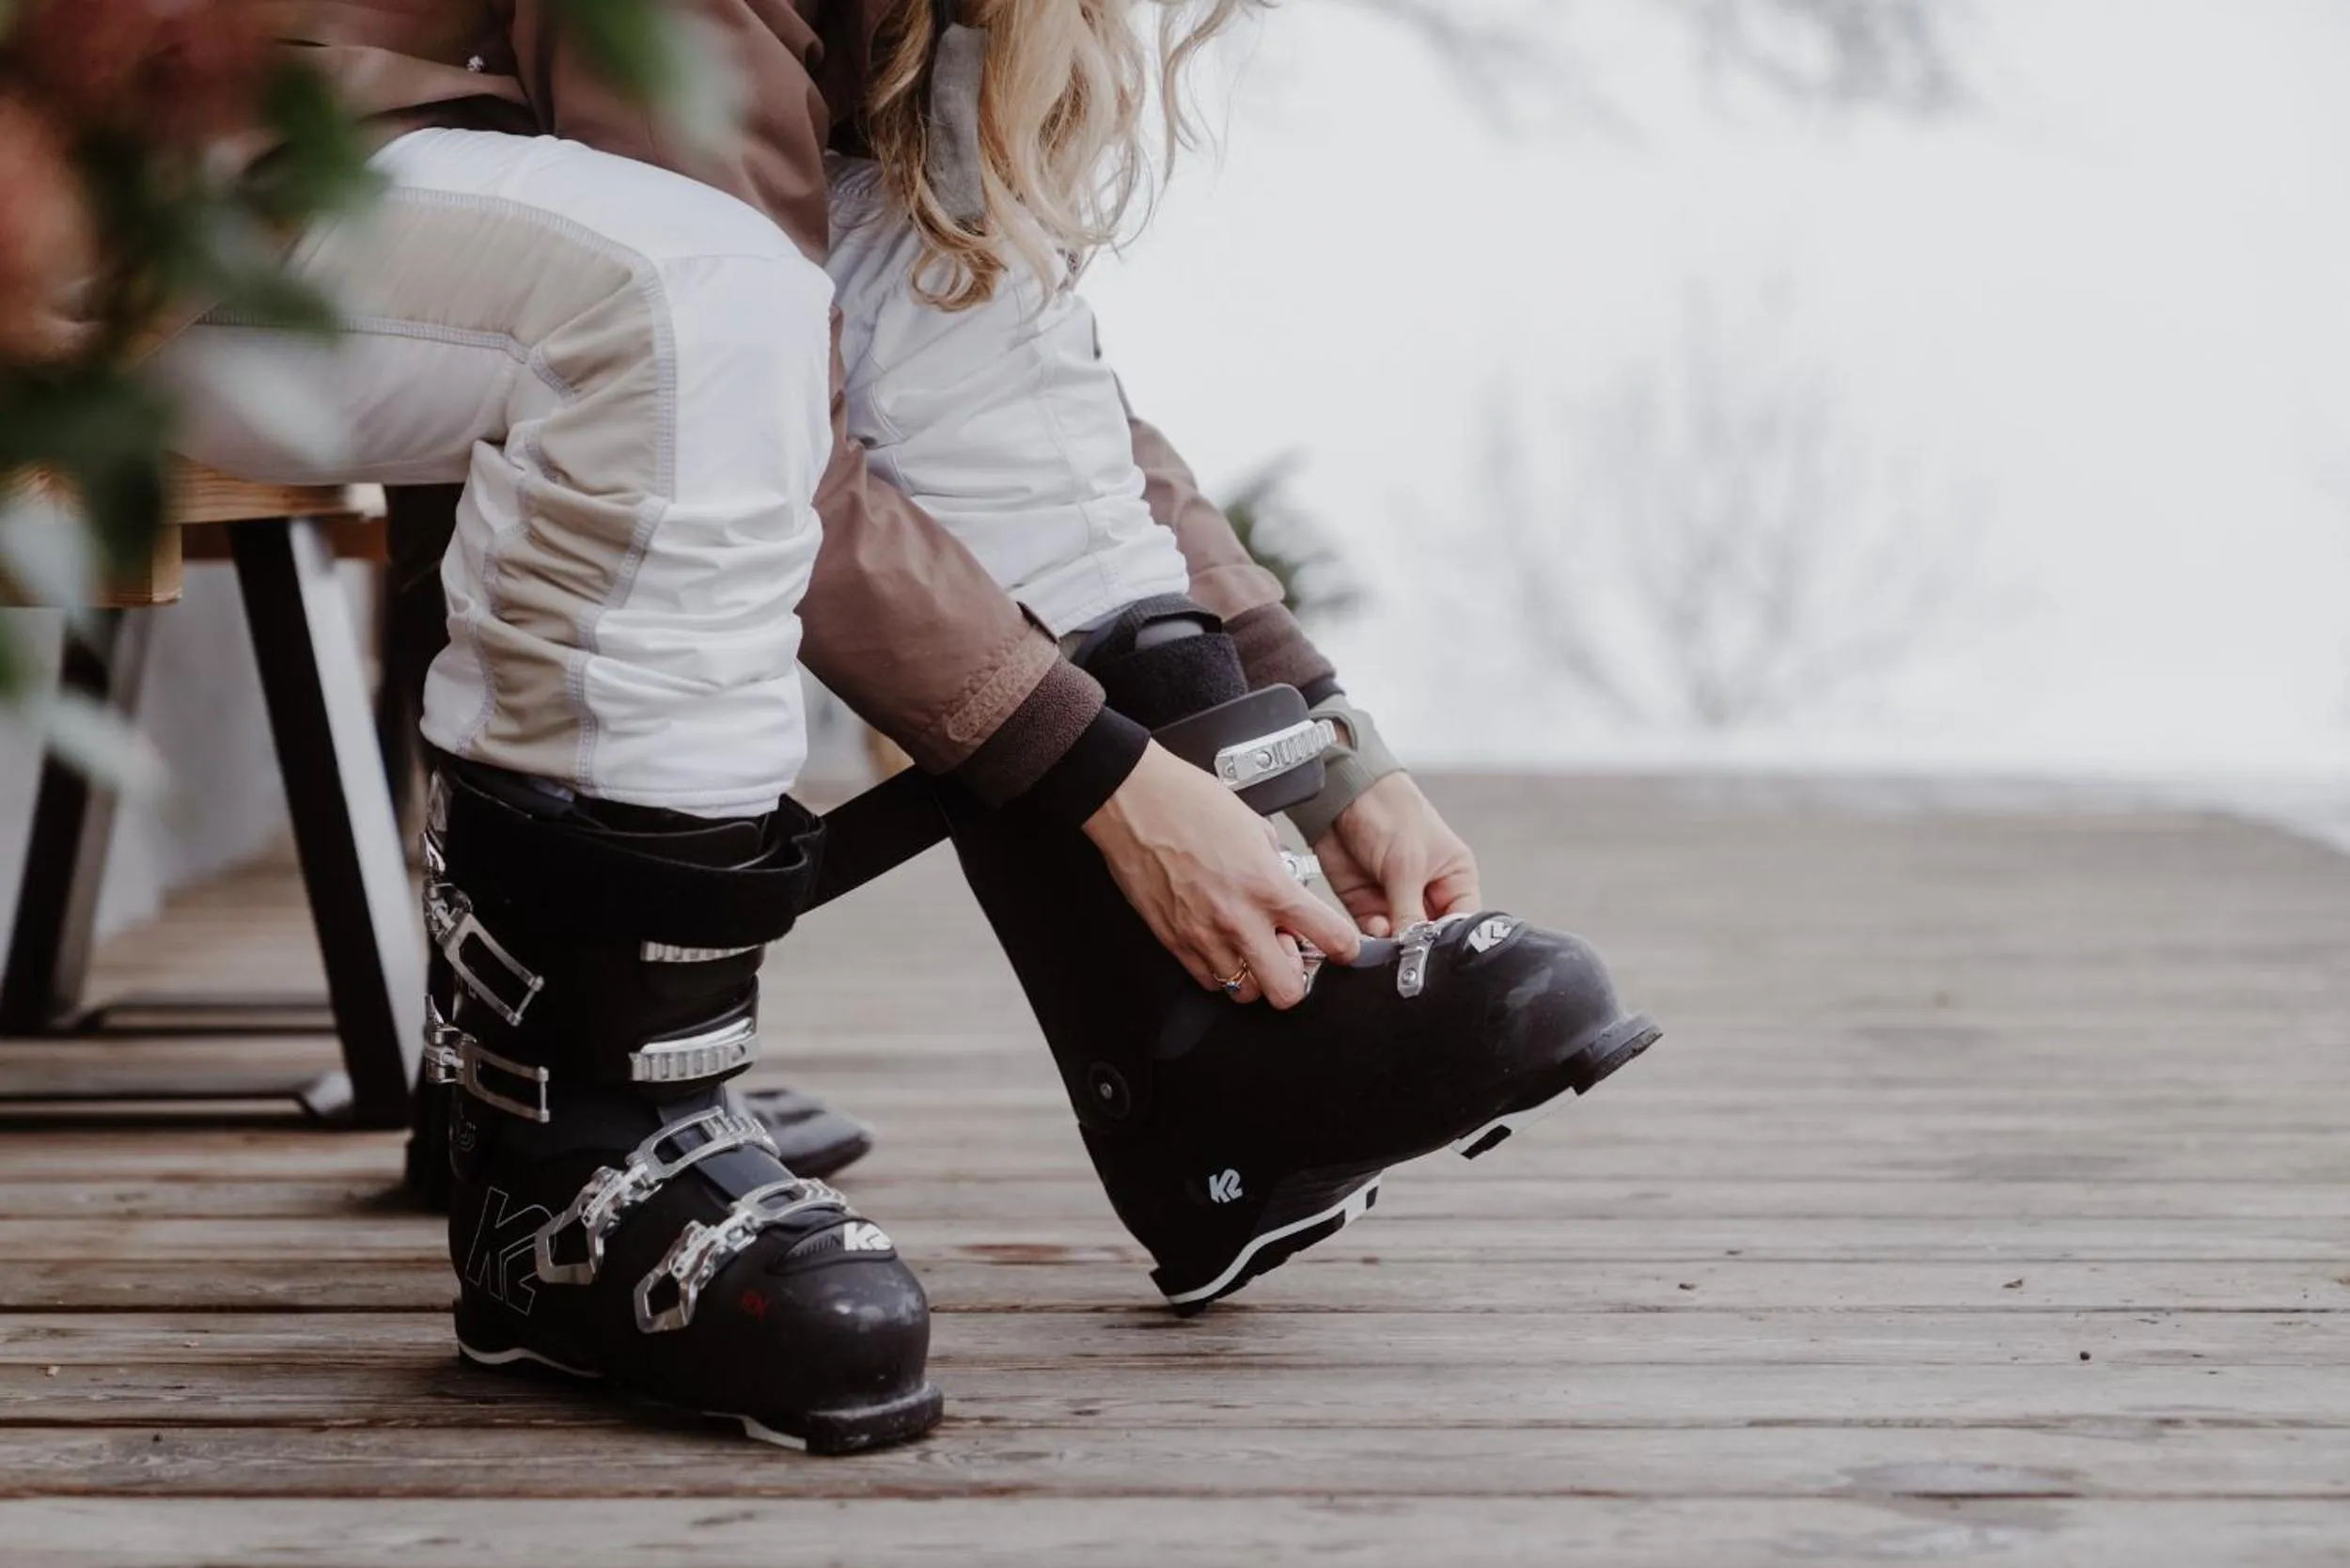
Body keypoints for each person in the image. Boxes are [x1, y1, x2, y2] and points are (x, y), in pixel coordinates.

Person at [149, 0, 1655, 1454]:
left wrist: (1321, 736)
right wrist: (1104, 780)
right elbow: (764, 417)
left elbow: (995, 379)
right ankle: (570, 1165)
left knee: (935, 265)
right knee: (682, 305)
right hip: (144, 211)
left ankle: (1210, 1050)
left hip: (385, 187)